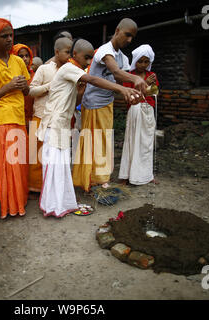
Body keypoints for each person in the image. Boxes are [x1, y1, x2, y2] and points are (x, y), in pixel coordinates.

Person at [36, 39, 141, 217]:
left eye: (90, 59)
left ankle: (62, 204)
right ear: (74, 55)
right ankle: (52, 206)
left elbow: (73, 102)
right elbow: (93, 78)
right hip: (53, 124)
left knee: (61, 167)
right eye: (86, 58)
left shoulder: (74, 72)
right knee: (54, 167)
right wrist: (122, 89)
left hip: (61, 124)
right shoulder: (69, 68)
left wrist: (80, 93)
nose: (88, 62)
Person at [72, 18, 147, 192]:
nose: (129, 40)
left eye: (132, 37)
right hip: (92, 104)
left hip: (107, 103)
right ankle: (88, 179)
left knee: (104, 141)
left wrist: (132, 94)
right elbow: (116, 72)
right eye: (127, 35)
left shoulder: (124, 58)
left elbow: (122, 82)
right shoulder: (105, 51)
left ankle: (101, 178)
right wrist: (135, 78)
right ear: (117, 30)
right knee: (92, 141)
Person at [0, 18, 30, 219]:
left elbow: (27, 90)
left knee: (20, 164)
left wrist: (23, 87)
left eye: (11, 35)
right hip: (2, 120)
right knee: (8, 165)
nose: (10, 40)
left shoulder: (18, 61)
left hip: (19, 116)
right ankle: (11, 206)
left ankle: (20, 201)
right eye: (4, 36)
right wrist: (8, 87)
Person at [27, 37, 72, 197]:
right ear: (56, 52)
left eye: (71, 52)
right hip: (40, 116)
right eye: (67, 52)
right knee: (36, 155)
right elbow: (31, 91)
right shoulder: (45, 69)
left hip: (57, 121)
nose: (70, 56)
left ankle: (50, 188)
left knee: (52, 157)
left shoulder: (69, 70)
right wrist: (49, 87)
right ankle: (35, 187)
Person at [119, 44, 159, 186]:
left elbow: (153, 93)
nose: (143, 64)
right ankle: (126, 175)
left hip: (148, 111)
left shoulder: (151, 76)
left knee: (146, 143)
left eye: (146, 61)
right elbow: (129, 97)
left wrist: (148, 86)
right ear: (135, 60)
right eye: (140, 61)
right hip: (135, 109)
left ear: (150, 62)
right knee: (132, 141)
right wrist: (144, 85)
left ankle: (146, 175)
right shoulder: (129, 77)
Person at [11, 43, 34, 130]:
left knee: (33, 143)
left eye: (27, 56)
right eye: (21, 56)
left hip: (33, 119)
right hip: (17, 119)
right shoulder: (10, 76)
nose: (25, 59)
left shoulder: (35, 75)